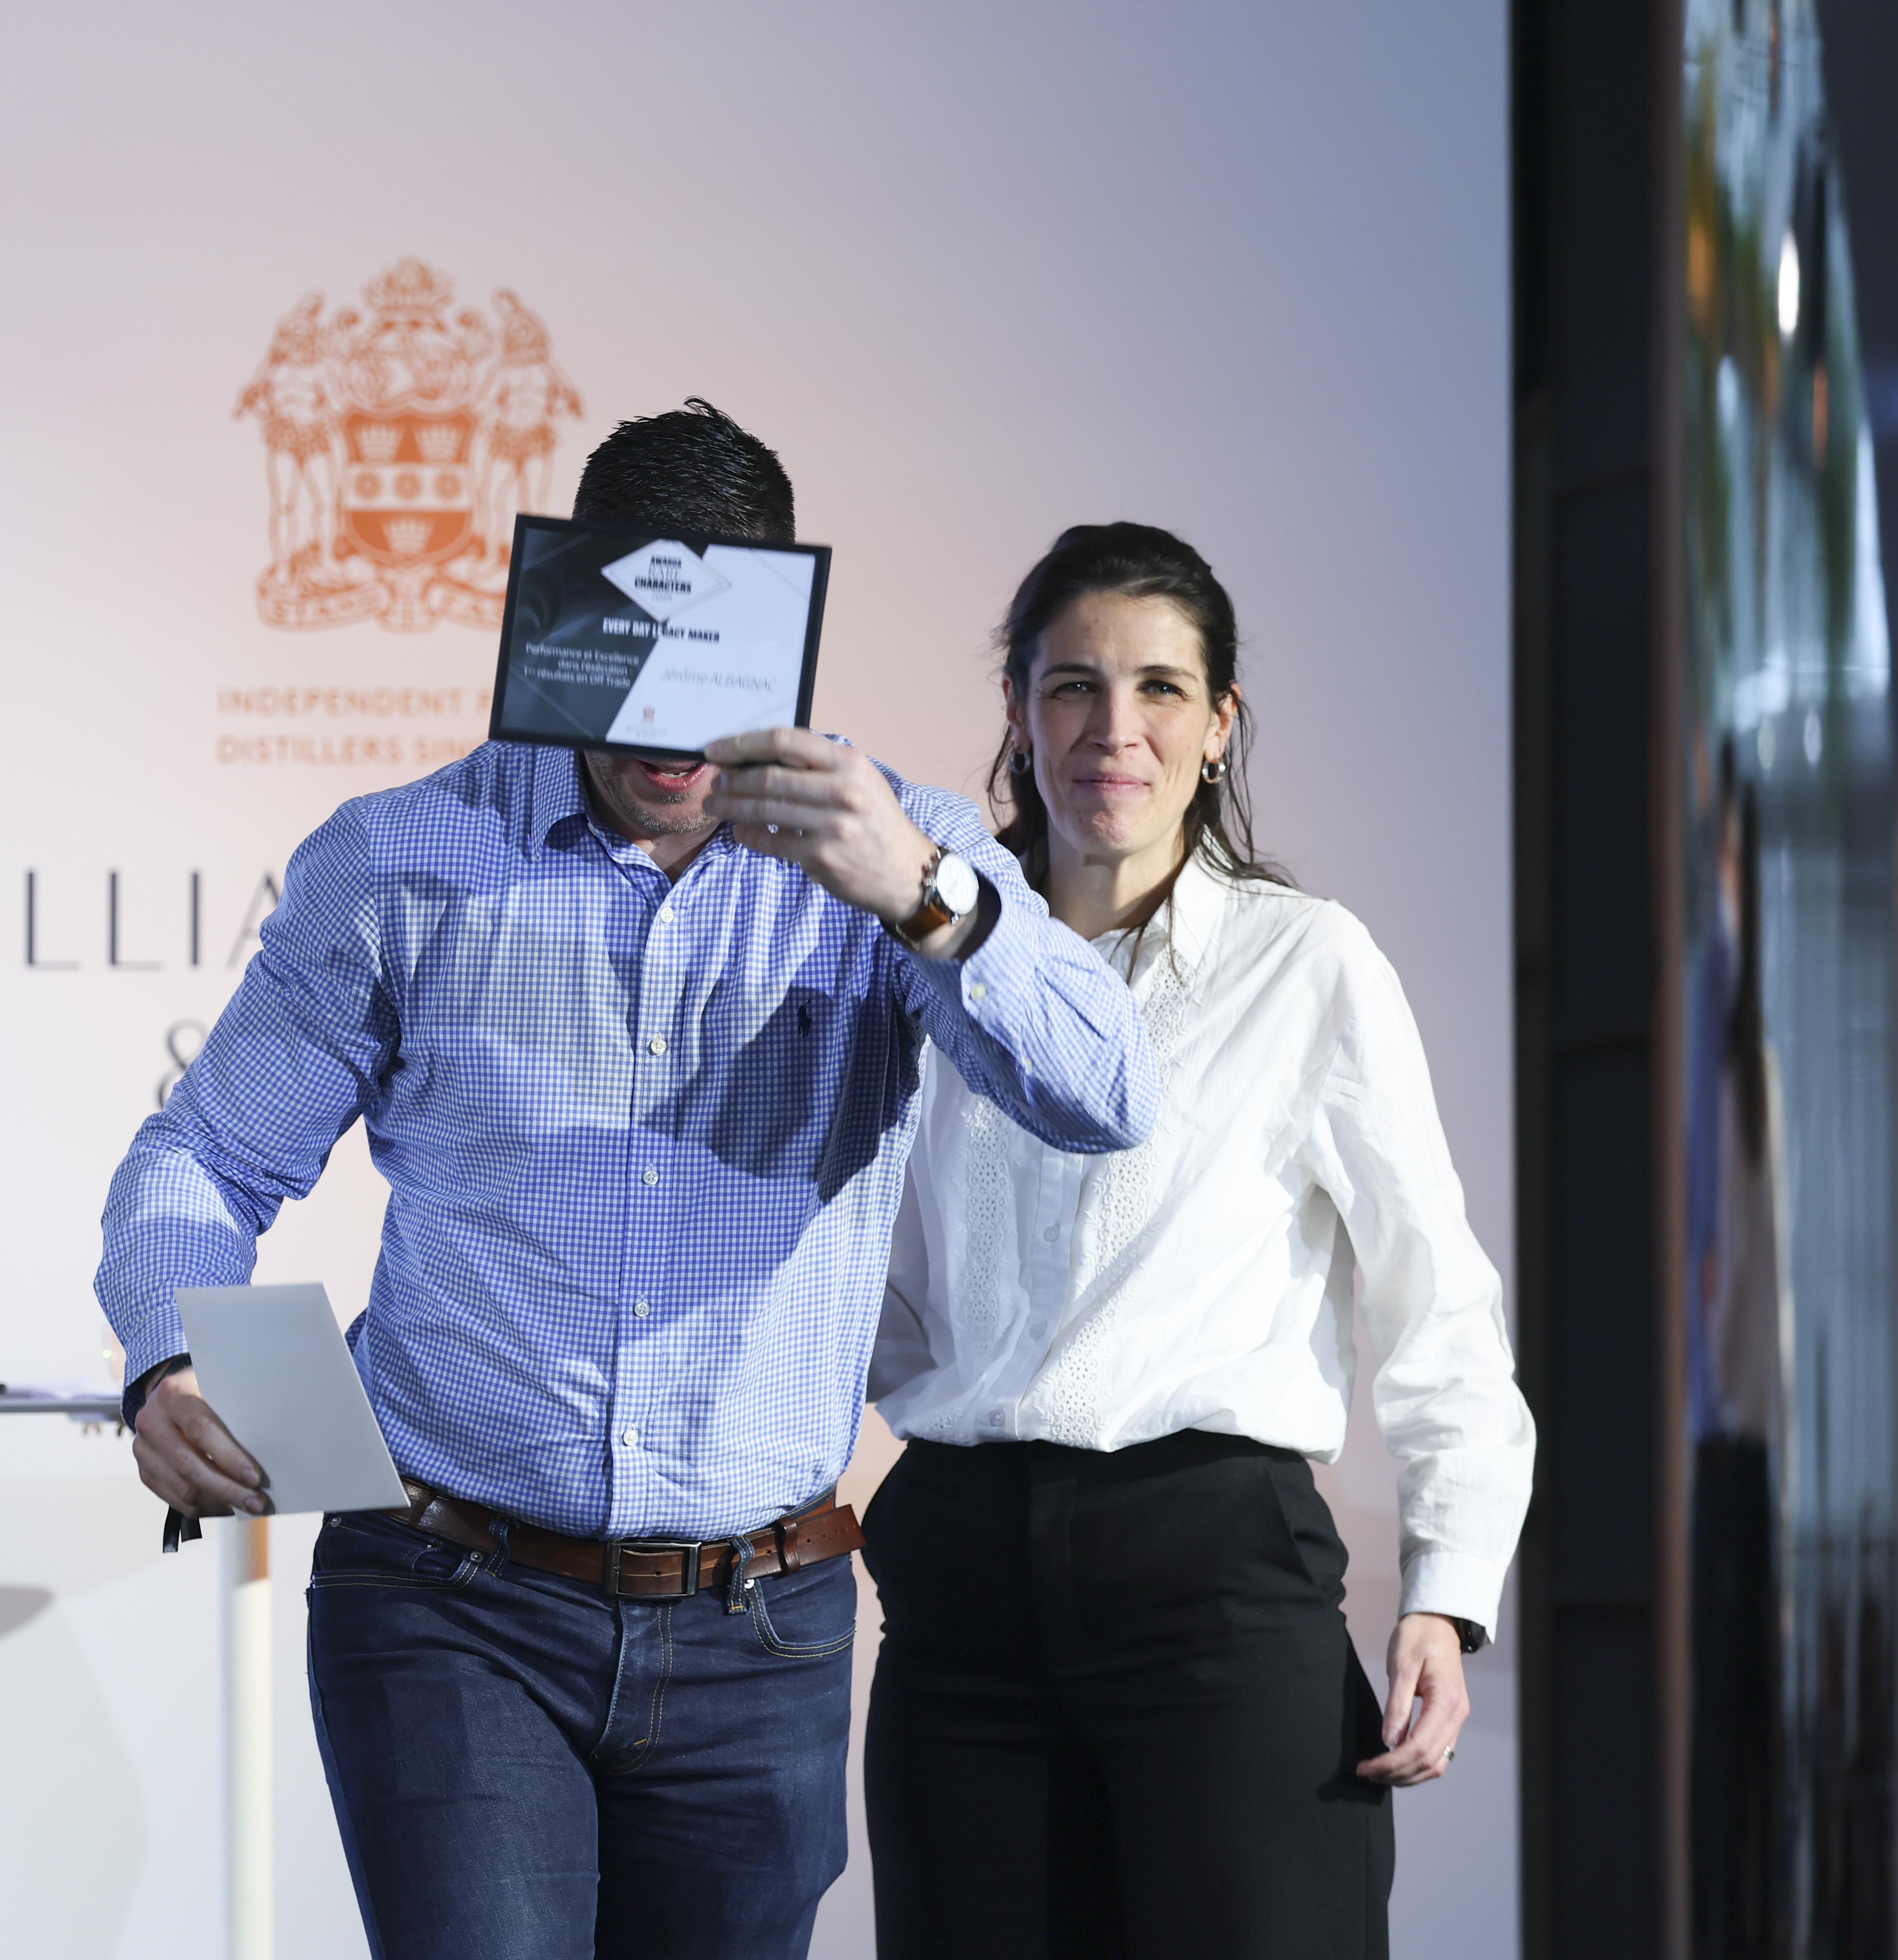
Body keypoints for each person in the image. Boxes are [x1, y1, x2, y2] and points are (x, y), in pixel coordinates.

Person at [97, 401, 1159, 1960]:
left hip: (761, 1623)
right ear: (558, 621)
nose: (671, 726)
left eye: (714, 663)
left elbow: (1105, 1098)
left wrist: (923, 897)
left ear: (786, 646)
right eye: (627, 651)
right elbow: (204, 1155)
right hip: (449, 1597)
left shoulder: (905, 849)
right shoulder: (403, 857)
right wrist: (168, 1354)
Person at [863, 523, 1536, 1959]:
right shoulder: (917, 964)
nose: (1116, 729)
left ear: (1221, 724)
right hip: (962, 1594)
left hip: (1216, 1588)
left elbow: (1437, 1301)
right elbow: (870, 1275)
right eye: (1074, 686)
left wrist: (1446, 1599)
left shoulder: (1309, 962)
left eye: (1162, 688)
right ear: (1017, 711)